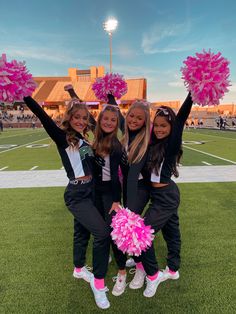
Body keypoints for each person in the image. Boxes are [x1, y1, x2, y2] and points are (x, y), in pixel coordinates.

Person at [23, 96, 111, 310]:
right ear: (69, 118)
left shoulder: (82, 140)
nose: (81, 121)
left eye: (83, 117)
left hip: (91, 191)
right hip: (77, 193)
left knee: (81, 232)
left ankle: (79, 268)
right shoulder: (63, 138)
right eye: (76, 117)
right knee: (102, 233)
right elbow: (42, 116)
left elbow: (89, 159)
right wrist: (26, 95)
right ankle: (99, 284)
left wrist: (75, 97)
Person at [129, 92, 193, 298]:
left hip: (166, 196)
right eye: (156, 125)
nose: (158, 129)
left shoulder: (172, 144)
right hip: (160, 196)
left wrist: (192, 94)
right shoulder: (152, 142)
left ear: (171, 128)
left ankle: (153, 274)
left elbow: (181, 118)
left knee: (142, 235)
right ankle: (173, 270)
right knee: (172, 232)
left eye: (163, 126)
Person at [120, 100, 151, 288]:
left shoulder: (143, 141)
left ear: (145, 122)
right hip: (127, 188)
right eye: (131, 116)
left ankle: (142, 269)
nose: (134, 120)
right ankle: (136, 258)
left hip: (139, 188)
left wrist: (129, 211)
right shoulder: (127, 133)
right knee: (131, 228)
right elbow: (107, 113)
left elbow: (133, 175)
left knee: (133, 229)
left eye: (140, 118)